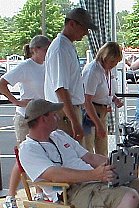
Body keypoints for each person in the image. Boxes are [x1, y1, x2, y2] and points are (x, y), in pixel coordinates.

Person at [0, 35, 50, 208]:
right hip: (26, 118)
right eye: (45, 49)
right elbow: (2, 83)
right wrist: (16, 101)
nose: (48, 53)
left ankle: (38, 192)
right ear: (35, 50)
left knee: (43, 154)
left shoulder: (48, 66)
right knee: (23, 157)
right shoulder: (25, 67)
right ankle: (11, 196)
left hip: (42, 116)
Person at [44, 7, 97, 143]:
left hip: (68, 110)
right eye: (84, 28)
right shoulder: (60, 48)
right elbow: (60, 88)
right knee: (70, 156)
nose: (85, 33)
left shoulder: (66, 46)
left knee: (75, 155)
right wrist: (74, 120)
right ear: (72, 24)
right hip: (64, 112)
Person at [82, 42, 124, 156]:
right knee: (88, 148)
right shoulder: (93, 71)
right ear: (104, 57)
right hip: (90, 112)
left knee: (103, 148)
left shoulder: (107, 70)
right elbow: (87, 101)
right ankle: (90, 173)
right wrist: (98, 124)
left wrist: (114, 99)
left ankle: (103, 171)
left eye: (116, 62)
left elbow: (105, 90)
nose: (114, 65)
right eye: (112, 61)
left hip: (102, 111)